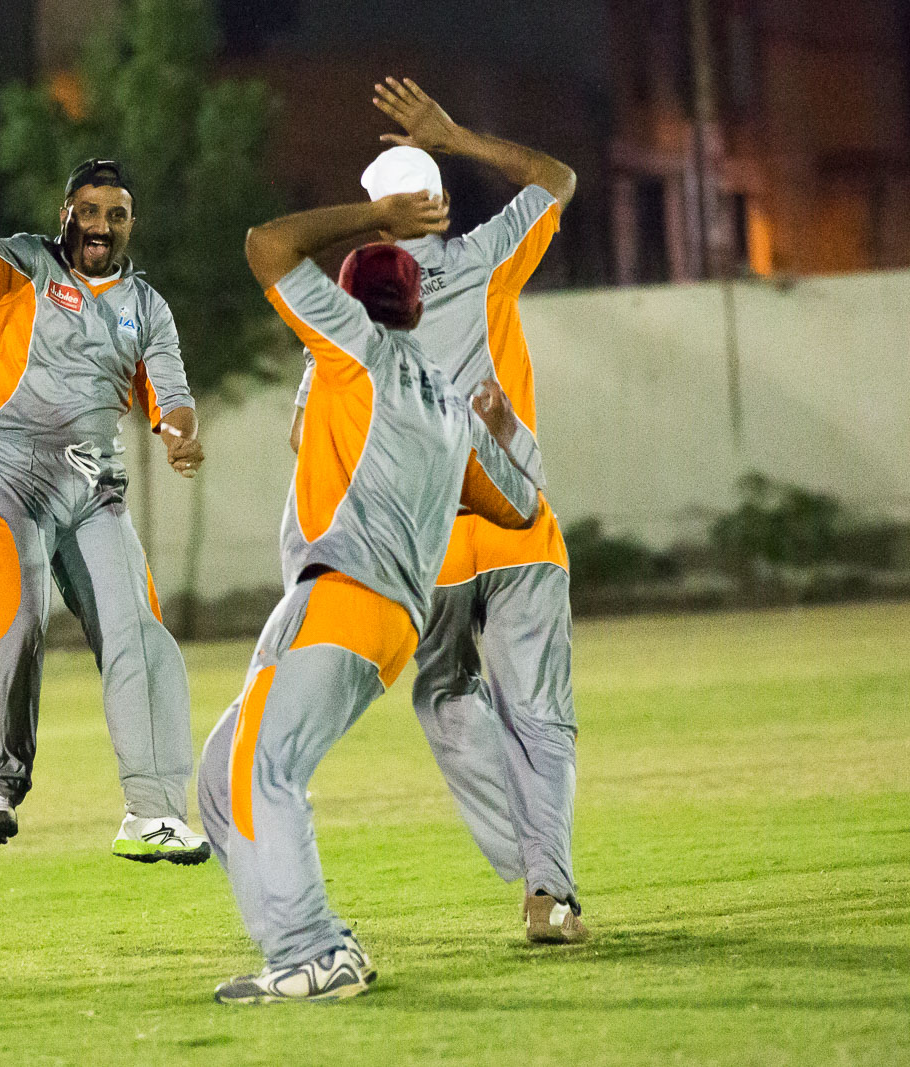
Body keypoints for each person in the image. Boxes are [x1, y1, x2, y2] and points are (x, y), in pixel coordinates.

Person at [197, 191, 546, 1003]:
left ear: (347, 302)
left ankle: (314, 949)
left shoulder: (348, 343)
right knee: (223, 773)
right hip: (388, 622)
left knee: (264, 766)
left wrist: (376, 211)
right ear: (418, 309)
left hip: (341, 593)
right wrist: (500, 431)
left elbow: (265, 242)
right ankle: (296, 946)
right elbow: (520, 506)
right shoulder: (446, 401)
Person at [289, 78, 585, 942]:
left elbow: (304, 433)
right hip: (520, 527)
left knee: (445, 693)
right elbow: (559, 179)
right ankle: (549, 887)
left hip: (426, 549)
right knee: (539, 713)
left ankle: (531, 863)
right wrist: (457, 135)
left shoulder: (347, 312)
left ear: (376, 220)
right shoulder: (486, 257)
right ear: (441, 206)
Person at [0, 150, 211, 859]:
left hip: (93, 487)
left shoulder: (146, 306)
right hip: (9, 477)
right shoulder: (26, 266)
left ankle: (152, 813)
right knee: (22, 620)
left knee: (139, 630)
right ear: (66, 215)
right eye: (88, 211)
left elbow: (172, 394)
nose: (101, 225)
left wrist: (180, 434)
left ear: (130, 224)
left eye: (115, 215)